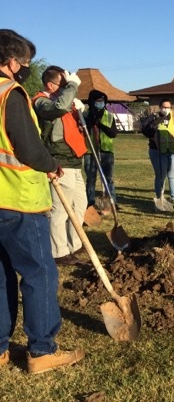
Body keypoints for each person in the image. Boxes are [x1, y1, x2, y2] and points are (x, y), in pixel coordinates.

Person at [0, 29, 84, 373]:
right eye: (25, 64)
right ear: (11, 62)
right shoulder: (11, 94)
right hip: (20, 200)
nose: (26, 70)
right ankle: (42, 349)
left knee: (1, 274)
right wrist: (50, 165)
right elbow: (29, 147)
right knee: (39, 272)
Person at [33, 66, 88, 266]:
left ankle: (75, 244)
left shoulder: (64, 100)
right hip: (59, 161)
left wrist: (82, 111)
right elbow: (59, 108)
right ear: (50, 85)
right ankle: (59, 251)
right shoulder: (41, 101)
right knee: (61, 209)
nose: (67, 88)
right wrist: (72, 85)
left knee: (79, 205)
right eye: (63, 84)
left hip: (75, 159)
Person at [141, 98, 174, 207]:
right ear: (160, 107)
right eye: (164, 107)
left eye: (168, 107)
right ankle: (160, 197)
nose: (166, 109)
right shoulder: (154, 117)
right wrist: (155, 122)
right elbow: (144, 129)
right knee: (160, 175)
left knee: (173, 175)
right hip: (157, 150)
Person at [83, 89, 118, 209]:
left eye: (102, 101)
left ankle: (112, 202)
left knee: (108, 179)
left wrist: (99, 124)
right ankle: (90, 203)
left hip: (106, 152)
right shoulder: (85, 115)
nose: (100, 103)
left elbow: (113, 133)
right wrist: (90, 122)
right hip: (90, 151)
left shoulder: (109, 115)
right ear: (92, 102)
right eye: (98, 101)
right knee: (91, 179)